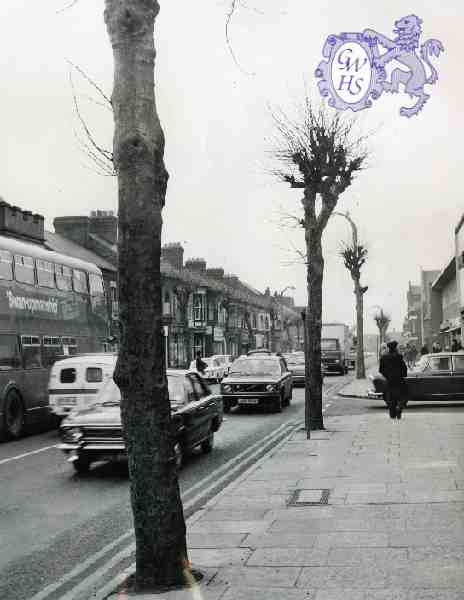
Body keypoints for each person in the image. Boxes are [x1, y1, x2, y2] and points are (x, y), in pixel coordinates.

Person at [379, 340, 408, 420]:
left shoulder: (384, 358)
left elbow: (381, 370)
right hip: (400, 380)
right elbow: (404, 369)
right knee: (404, 395)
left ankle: (392, 413)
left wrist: (387, 376)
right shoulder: (399, 357)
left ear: (388, 348)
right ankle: (399, 407)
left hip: (389, 381)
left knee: (389, 397)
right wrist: (402, 375)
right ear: (395, 348)